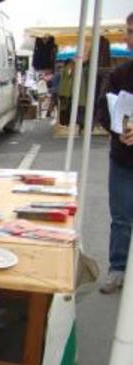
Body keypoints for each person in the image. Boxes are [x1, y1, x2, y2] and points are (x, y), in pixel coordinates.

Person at [97, 12, 133, 294]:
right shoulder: (119, 74)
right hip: (122, 158)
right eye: (128, 31)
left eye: (131, 31)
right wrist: (119, 129)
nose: (127, 37)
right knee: (121, 217)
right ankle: (118, 269)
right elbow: (102, 111)